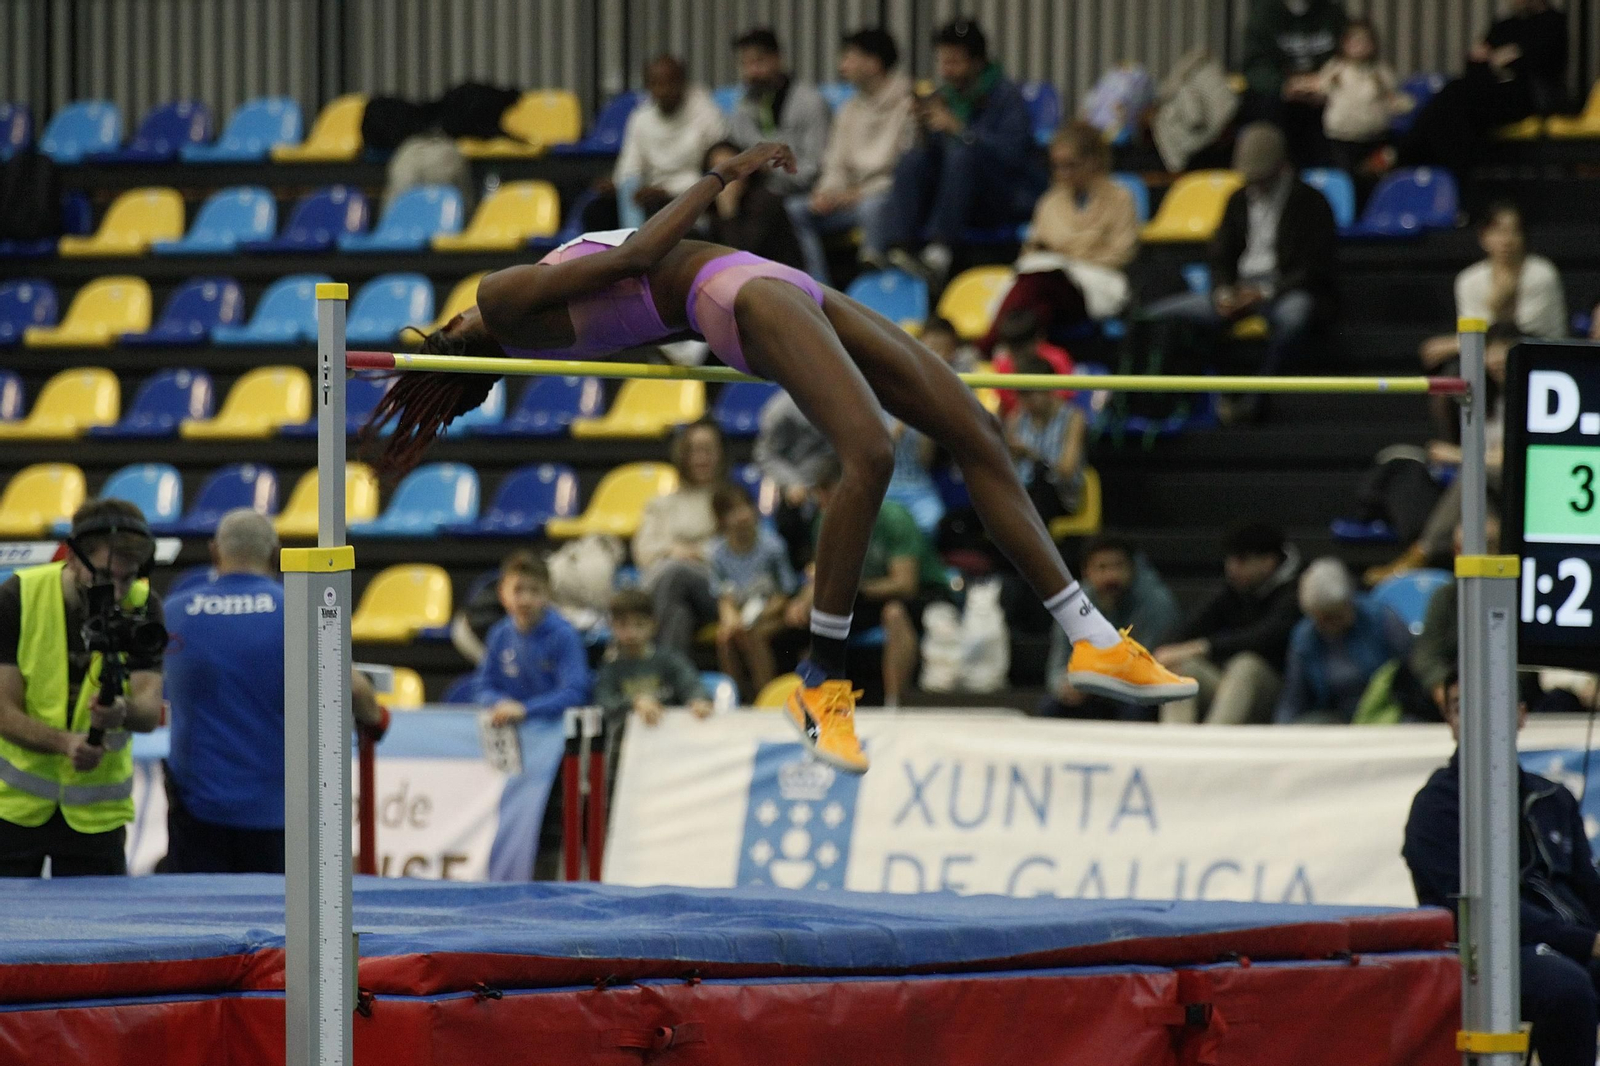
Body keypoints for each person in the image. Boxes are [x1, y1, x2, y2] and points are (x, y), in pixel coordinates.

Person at [368, 138, 1196, 776]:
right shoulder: (500, 301)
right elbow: (638, 260)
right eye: (442, 329)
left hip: (763, 279)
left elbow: (626, 280)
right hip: (739, 296)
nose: (449, 315)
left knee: (976, 431)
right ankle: (821, 681)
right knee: (869, 454)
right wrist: (719, 177)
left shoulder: (530, 315)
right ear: (456, 342)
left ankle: (1088, 633)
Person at [162, 510, 385, 874]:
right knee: (277, 910)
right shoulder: (297, 608)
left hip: (197, 811)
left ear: (215, 551)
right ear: (275, 553)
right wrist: (375, 719)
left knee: (199, 909)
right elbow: (357, 691)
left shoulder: (175, 612)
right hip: (276, 813)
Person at [1404, 673, 1600, 1066]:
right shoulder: (1435, 808)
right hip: (1484, 954)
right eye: (1461, 707)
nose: (1477, 717)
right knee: (1567, 988)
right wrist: (1586, 942)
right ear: (1450, 721)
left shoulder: (1552, 797)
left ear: (1521, 715)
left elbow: (1588, 887)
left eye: (1492, 704)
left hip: (1568, 942)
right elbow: (1477, 912)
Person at [0, 499, 165, 877]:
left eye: (128, 578)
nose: (119, 592)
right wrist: (65, 743)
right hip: (14, 808)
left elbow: (146, 710)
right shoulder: (18, 597)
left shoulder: (144, 606)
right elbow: (3, 711)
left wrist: (122, 710)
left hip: (97, 815)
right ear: (72, 558)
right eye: (105, 577)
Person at [1143, 122, 1337, 420]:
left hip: (1286, 289)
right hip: (1239, 289)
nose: (1254, 185)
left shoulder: (1311, 203)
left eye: (1262, 178)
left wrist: (1264, 292)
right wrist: (1224, 292)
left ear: (1281, 167)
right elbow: (1220, 254)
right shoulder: (1237, 199)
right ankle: (1190, 402)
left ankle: (1259, 397)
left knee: (1294, 316)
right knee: (1158, 314)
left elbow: (1314, 267)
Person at [883, 17, 1044, 288]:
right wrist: (923, 129)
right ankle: (902, 247)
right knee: (913, 159)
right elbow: (933, 160)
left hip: (999, 198)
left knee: (963, 155)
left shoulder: (1006, 96)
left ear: (977, 62)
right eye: (942, 62)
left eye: (954, 62)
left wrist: (960, 130)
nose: (946, 71)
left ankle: (939, 251)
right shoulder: (944, 96)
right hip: (954, 199)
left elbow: (1013, 155)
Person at [785, 458, 950, 708]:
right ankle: (817, 702)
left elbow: (904, 584)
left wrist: (850, 591)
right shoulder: (824, 521)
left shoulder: (893, 518)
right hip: (861, 594)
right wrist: (802, 602)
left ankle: (895, 702)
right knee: (811, 618)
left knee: (894, 613)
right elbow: (822, 574)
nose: (822, 500)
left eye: (827, 491)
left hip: (920, 593)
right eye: (818, 492)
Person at [982, 121, 1140, 350]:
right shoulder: (1049, 202)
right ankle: (1024, 354)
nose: (1062, 174)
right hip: (1046, 285)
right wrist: (1067, 255)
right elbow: (1031, 250)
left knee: (1041, 281)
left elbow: (1122, 252)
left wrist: (1067, 259)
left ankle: (988, 347)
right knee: (1038, 291)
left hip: (1097, 281)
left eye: (1070, 165)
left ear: (1093, 161)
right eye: (1057, 166)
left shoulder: (1120, 198)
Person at [1390, 0, 1568, 182]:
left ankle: (1404, 157)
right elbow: (1474, 64)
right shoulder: (1504, 24)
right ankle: (1445, 177)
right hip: (1489, 91)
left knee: (1453, 98)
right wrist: (1500, 61)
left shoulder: (1553, 23)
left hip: (1525, 97)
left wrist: (1499, 61)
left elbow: (1541, 65)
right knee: (1452, 108)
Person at [789, 27, 913, 283]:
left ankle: (876, 281)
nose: (842, 65)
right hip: (848, 200)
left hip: (885, 197)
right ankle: (819, 286)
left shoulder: (908, 104)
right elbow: (835, 163)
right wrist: (827, 193)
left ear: (873, 63)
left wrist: (860, 193)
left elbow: (907, 170)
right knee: (795, 209)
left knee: (872, 207)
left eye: (849, 57)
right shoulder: (849, 110)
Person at [1155, 523, 1304, 725]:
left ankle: (1215, 740)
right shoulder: (1235, 590)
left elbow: (1262, 637)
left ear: (1268, 562)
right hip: (1231, 688)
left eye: (1241, 560)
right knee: (1180, 667)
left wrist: (1201, 647)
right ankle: (1174, 740)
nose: (1231, 567)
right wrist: (1170, 650)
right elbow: (1191, 627)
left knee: (1246, 665)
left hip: (1278, 695)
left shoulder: (1296, 592)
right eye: (1230, 559)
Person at [1040, 536, 1182, 721]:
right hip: (1091, 689)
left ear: (1133, 569)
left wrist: (1094, 678)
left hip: (1136, 689)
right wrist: (1065, 685)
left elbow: (1149, 664)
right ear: (1086, 572)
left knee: (1137, 707)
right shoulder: (1074, 604)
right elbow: (1057, 665)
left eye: (1118, 566)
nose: (1111, 576)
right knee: (1051, 706)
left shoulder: (1156, 603)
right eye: (1102, 568)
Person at [1274, 557, 1411, 724]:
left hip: (1387, 708)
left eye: (1336, 615)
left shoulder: (1381, 619)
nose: (1329, 624)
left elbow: (1412, 668)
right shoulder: (1304, 636)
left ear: (1349, 602)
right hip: (1335, 717)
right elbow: (1294, 698)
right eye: (1321, 619)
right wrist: (1282, 731)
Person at [633, 418, 729, 655]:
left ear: (720, 454)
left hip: (718, 589)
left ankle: (636, 650)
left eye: (708, 450)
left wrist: (694, 553)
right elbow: (643, 552)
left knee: (674, 571)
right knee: (679, 615)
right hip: (669, 589)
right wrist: (675, 551)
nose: (701, 458)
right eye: (694, 451)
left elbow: (736, 552)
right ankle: (667, 672)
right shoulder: (661, 504)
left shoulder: (730, 500)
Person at [613, 54, 729, 230]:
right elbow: (630, 168)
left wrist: (669, 192)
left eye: (670, 83)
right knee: (599, 208)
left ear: (683, 83)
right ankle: (630, 240)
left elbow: (719, 169)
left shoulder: (706, 113)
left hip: (694, 196)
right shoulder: (640, 118)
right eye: (655, 84)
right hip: (651, 194)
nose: (663, 91)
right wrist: (617, 186)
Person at [478, 552, 591, 728]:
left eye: (535, 590)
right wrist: (500, 703)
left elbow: (575, 692)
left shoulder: (564, 635)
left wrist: (525, 710)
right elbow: (483, 687)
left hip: (554, 732)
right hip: (511, 729)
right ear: (502, 593)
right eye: (518, 590)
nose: (526, 600)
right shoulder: (499, 634)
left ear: (548, 594)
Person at [708, 485, 798, 699]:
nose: (741, 516)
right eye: (732, 511)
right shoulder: (717, 553)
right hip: (742, 614)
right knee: (725, 637)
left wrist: (754, 618)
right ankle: (735, 697)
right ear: (721, 520)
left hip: (774, 613)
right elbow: (724, 597)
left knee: (754, 634)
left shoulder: (773, 546)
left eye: (744, 507)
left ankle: (764, 695)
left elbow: (784, 594)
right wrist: (732, 621)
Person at [1240, 0, 1347, 165]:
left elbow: (1349, 58)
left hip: (1326, 97)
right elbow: (1255, 67)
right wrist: (1284, 86)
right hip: (1280, 101)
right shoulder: (1264, 15)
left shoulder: (1332, 14)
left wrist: (1324, 84)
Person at [726, 28, 829, 198]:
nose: (751, 72)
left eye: (758, 62)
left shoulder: (810, 103)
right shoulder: (743, 105)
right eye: (744, 64)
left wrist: (768, 168)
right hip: (755, 192)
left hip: (799, 194)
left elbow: (814, 170)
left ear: (778, 58)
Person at [594, 589, 712, 727]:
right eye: (623, 625)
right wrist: (634, 703)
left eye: (639, 624)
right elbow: (605, 702)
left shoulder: (670, 660)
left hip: (670, 731)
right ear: (612, 626)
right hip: (626, 736)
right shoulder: (610, 668)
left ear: (653, 624)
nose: (631, 633)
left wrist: (697, 700)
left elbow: (691, 685)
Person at [1315, 19, 1411, 176]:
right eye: (1353, 41)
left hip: (1374, 137)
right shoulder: (1335, 68)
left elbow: (1395, 98)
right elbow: (1319, 88)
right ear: (1344, 44)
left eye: (1364, 41)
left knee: (1373, 176)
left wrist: (1400, 103)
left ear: (1373, 44)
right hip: (1341, 137)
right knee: (1345, 178)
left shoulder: (1380, 71)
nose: (1359, 46)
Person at [753, 387, 835, 571]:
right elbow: (765, 455)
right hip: (800, 490)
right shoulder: (781, 410)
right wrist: (793, 483)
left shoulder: (849, 399)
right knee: (791, 517)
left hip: (836, 481)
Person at [1004, 354, 1088, 524]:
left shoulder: (1073, 418)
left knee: (1041, 480)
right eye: (1021, 394)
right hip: (1022, 495)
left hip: (1058, 496)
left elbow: (1067, 470)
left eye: (1030, 393)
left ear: (1049, 389)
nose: (1025, 401)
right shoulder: (1016, 419)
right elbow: (1006, 469)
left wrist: (1032, 455)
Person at [698, 140, 806, 270]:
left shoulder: (765, 201)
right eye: (718, 171)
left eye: (731, 171)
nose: (727, 179)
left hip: (779, 276)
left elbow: (743, 257)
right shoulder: (711, 208)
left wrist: (729, 212)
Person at [989, 309, 1076, 417]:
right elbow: (1004, 408)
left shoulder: (1058, 360)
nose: (1018, 355)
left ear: (1038, 339)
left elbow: (1065, 406)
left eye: (1022, 348)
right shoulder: (1002, 367)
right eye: (1013, 349)